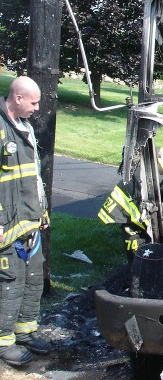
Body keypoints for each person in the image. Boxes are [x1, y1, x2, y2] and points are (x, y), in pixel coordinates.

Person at [0, 76, 51, 367]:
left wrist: (41, 211)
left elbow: (33, 176)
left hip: (30, 222)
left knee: (33, 280)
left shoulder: (26, 128)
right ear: (18, 99)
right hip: (7, 225)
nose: (37, 107)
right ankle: (3, 341)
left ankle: (25, 332)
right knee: (10, 283)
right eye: (33, 102)